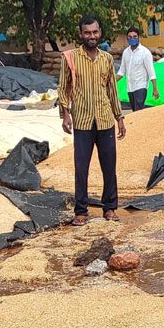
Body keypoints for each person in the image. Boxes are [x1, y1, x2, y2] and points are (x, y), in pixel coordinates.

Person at [58, 15, 126, 226]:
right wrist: (65, 114)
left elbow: (112, 91)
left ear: (100, 33)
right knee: (82, 167)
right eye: (87, 33)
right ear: (81, 34)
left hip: (105, 120)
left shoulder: (106, 58)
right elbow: (62, 88)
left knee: (109, 166)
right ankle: (81, 211)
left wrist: (120, 117)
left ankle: (110, 208)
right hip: (82, 122)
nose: (92, 36)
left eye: (95, 32)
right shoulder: (70, 57)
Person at [116, 27, 159, 111]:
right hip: (130, 87)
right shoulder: (126, 52)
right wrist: (111, 81)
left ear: (139, 37)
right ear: (127, 38)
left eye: (135, 36)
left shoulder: (145, 52)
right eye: (130, 37)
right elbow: (122, 71)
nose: (132, 39)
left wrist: (155, 89)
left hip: (141, 87)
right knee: (134, 111)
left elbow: (151, 72)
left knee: (138, 111)